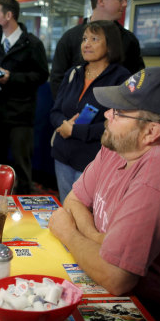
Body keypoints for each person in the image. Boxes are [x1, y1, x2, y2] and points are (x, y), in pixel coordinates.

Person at [48, 67, 160, 321]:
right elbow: (74, 200)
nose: (107, 114)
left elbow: (115, 277)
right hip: (129, 300)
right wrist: (98, 239)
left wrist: (67, 232)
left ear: (151, 132)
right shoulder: (121, 144)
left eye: (119, 112)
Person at [50, 20, 131, 202]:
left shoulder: (121, 78)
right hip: (63, 156)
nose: (86, 44)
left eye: (94, 39)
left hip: (93, 159)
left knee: (87, 214)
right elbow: (55, 111)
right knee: (66, 207)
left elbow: (121, 124)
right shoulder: (73, 73)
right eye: (85, 39)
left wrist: (75, 130)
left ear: (110, 44)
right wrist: (63, 125)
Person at [0, 0, 49, 194]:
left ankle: (24, 206)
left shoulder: (32, 43)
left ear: (9, 15)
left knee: (21, 163)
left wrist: (12, 78)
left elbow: (41, 75)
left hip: (20, 113)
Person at [50, 0, 144, 98]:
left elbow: (138, 78)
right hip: (75, 113)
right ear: (101, 1)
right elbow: (57, 80)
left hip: (115, 112)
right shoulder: (70, 38)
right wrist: (68, 112)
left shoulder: (129, 39)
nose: (125, 4)